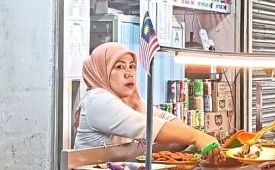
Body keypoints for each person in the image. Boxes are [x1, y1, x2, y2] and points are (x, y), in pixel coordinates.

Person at [74, 42, 220, 152]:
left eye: (132, 66)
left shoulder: (129, 101)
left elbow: (163, 118)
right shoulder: (97, 100)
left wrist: (197, 137)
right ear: (100, 71)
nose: (129, 73)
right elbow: (146, 126)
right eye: (119, 67)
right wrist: (196, 137)